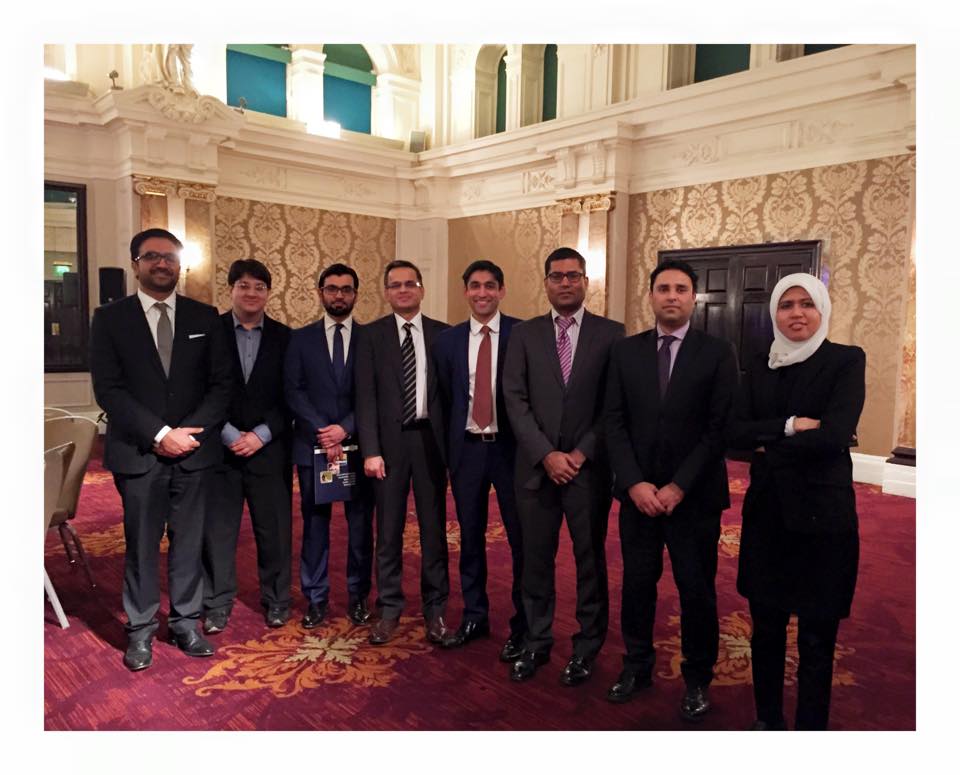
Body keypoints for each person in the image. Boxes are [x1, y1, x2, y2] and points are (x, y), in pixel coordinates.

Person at [90, 227, 233, 671]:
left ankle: (186, 623)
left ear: (179, 265)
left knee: (189, 542)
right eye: (152, 256)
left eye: (170, 256)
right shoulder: (110, 319)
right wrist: (159, 434)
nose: (162, 263)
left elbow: (221, 385)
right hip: (139, 454)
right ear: (136, 264)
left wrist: (188, 433)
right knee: (142, 544)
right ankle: (140, 629)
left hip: (194, 452)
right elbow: (109, 390)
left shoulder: (205, 316)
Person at [728, 273, 865, 731]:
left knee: (817, 639)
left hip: (824, 521)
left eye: (807, 303)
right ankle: (768, 721)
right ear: (774, 313)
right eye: (786, 305)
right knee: (765, 632)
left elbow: (834, 437)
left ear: (822, 309)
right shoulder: (760, 363)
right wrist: (790, 427)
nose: (797, 313)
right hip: (767, 517)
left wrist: (767, 444)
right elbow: (735, 433)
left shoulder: (845, 360)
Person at [603, 259, 739, 720]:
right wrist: (634, 483)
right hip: (638, 497)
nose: (672, 296)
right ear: (651, 296)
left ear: (693, 297)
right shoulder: (625, 352)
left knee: (696, 590)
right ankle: (637, 667)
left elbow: (719, 429)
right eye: (663, 288)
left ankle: (697, 679)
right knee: (637, 586)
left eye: (681, 288)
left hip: (694, 497)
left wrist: (679, 486)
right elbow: (613, 422)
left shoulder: (717, 352)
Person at [502, 247, 624, 685]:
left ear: (586, 281)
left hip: (587, 471)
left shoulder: (612, 334)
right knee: (535, 561)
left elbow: (613, 403)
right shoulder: (524, 334)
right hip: (536, 470)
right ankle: (536, 642)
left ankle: (587, 647)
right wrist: (546, 453)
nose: (566, 283)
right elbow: (514, 399)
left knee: (589, 562)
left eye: (574, 276)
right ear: (546, 283)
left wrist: (580, 453)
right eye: (557, 276)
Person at [432, 260, 526, 660]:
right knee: (469, 538)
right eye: (475, 286)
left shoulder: (523, 334)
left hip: (511, 451)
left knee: (521, 540)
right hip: (467, 450)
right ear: (465, 292)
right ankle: (475, 615)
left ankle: (524, 623)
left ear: (502, 290)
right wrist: (448, 453)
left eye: (490, 285)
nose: (482, 293)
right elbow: (443, 399)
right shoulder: (448, 342)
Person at [355, 260, 451, 645]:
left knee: (434, 530)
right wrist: (370, 450)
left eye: (410, 283)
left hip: (431, 443)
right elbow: (365, 397)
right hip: (388, 448)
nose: (403, 290)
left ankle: (436, 609)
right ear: (386, 292)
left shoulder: (444, 335)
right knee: (389, 529)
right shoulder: (371, 336)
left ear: (422, 289)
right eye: (395, 285)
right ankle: (389, 607)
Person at [201, 259, 292, 634]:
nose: (251, 293)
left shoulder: (287, 338)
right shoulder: (210, 333)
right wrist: (228, 433)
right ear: (231, 290)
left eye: (259, 287)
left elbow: (291, 396)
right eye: (244, 285)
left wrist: (260, 434)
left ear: (268, 293)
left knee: (274, 531)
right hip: (221, 451)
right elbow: (201, 390)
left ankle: (277, 600)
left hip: (269, 450)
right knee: (218, 532)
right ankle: (217, 602)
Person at [284, 263, 374, 629]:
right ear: (320, 292)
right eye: (332, 288)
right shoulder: (300, 339)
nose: (339, 295)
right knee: (315, 525)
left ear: (356, 294)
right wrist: (325, 431)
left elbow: (374, 393)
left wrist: (345, 429)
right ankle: (316, 597)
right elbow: (293, 391)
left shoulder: (371, 339)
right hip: (314, 446)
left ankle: (358, 595)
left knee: (360, 526)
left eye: (346, 289)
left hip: (359, 447)